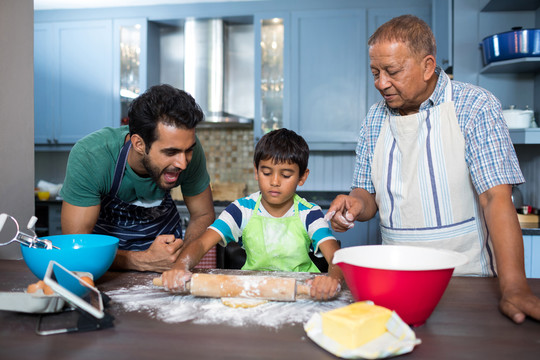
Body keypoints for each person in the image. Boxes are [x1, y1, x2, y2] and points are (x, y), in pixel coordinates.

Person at [326, 15, 540, 323]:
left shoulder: (475, 106)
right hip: (395, 282)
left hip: (468, 280)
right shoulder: (375, 118)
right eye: (375, 72)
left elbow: (495, 198)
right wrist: (355, 204)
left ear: (427, 66)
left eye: (392, 71)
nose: (381, 83)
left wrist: (515, 287)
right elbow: (367, 195)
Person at [161, 128, 343, 300]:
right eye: (266, 172)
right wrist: (180, 266)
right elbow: (201, 243)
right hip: (253, 291)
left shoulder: (310, 214)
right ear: (256, 171)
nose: (275, 182)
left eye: (286, 175)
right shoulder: (241, 210)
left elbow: (335, 256)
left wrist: (332, 280)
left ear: (302, 177)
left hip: (301, 292)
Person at [60, 84, 215, 272]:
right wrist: (140, 260)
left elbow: (203, 215)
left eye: (188, 150)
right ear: (139, 144)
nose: (183, 163)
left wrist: (181, 259)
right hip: (104, 269)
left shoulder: (187, 149)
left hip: (167, 266)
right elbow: (78, 244)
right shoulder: (91, 156)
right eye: (171, 152)